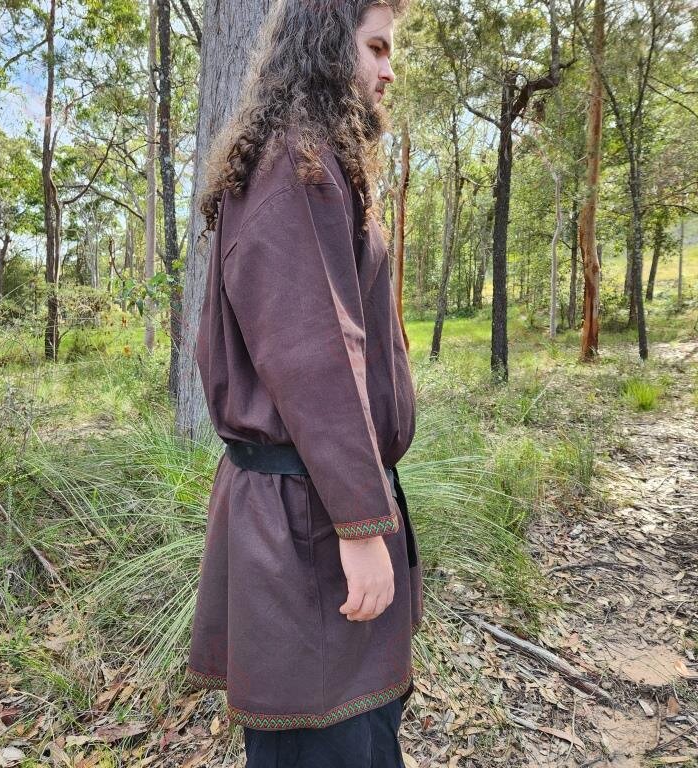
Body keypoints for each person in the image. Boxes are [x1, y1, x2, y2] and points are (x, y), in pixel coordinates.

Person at [185, 1, 423, 765]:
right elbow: (316, 356)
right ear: (328, 43)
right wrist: (361, 526)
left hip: (315, 512)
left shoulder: (314, 163)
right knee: (328, 744)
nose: (389, 69)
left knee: (358, 737)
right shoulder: (295, 167)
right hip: (305, 527)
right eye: (376, 47)